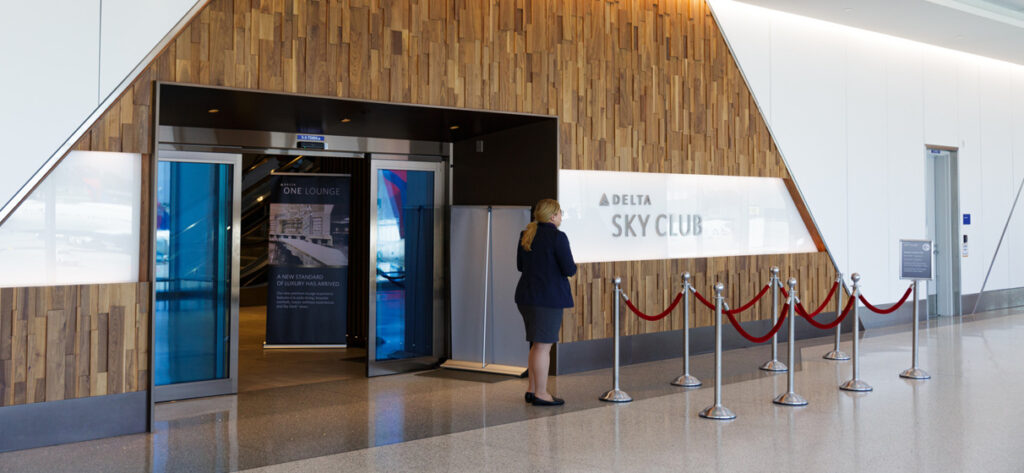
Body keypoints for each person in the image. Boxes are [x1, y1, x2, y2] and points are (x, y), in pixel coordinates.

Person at [515, 198, 576, 406]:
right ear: (552, 216)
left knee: (535, 344)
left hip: (526, 297)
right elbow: (569, 269)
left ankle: (532, 389)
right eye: (560, 213)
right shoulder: (557, 237)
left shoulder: (526, 234)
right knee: (542, 347)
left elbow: (520, 266)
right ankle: (541, 393)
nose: (561, 217)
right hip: (547, 299)